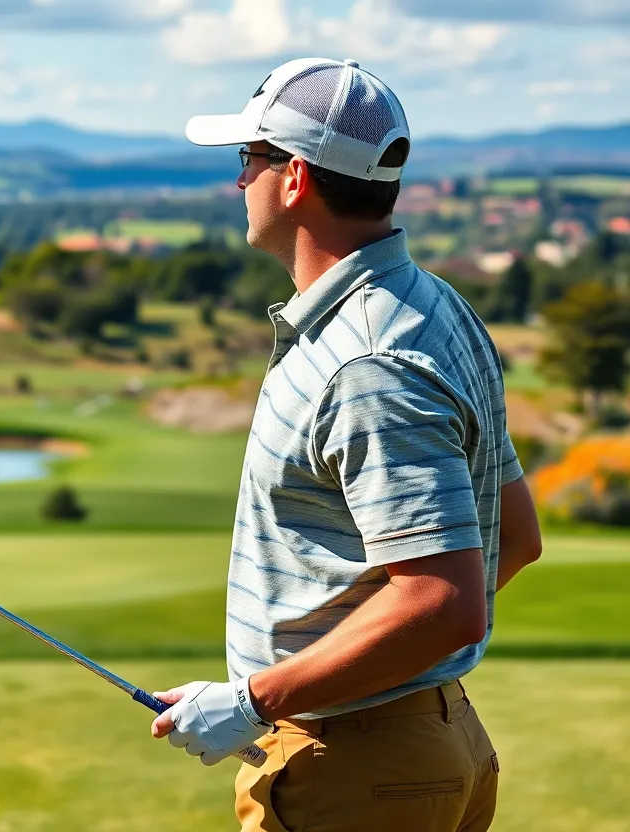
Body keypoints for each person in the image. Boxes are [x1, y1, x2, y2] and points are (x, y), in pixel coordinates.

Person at [148, 57, 543, 831]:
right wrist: (319, 675)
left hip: (357, 769)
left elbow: (443, 601)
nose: (240, 181)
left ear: (295, 177)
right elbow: (516, 538)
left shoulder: (364, 360)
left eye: (249, 158)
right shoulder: (432, 305)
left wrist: (258, 699)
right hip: (421, 738)